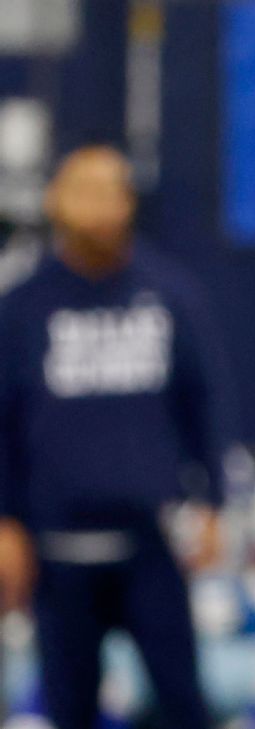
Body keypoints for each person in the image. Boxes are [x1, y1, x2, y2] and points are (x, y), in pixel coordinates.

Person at [0, 145, 230, 728]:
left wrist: (213, 502)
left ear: (130, 202)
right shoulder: (21, 307)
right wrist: (6, 525)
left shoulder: (171, 295)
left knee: (183, 705)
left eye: (112, 191)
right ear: (55, 201)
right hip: (57, 554)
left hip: (151, 545)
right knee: (68, 708)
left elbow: (203, 403)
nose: (99, 207)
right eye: (84, 190)